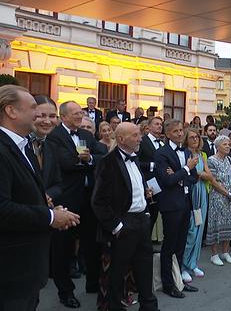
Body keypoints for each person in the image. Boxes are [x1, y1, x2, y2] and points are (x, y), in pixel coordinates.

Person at [0, 86, 80, 311]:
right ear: (11, 111)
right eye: (34, 108)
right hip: (11, 271)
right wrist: (51, 216)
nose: (39, 115)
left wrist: (48, 204)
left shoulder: (23, 146)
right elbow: (3, 209)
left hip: (25, 269)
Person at [92, 122, 158, 311]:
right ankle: (113, 307)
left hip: (142, 220)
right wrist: (117, 226)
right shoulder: (108, 162)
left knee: (145, 267)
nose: (140, 138)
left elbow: (131, 187)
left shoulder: (135, 159)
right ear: (121, 139)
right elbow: (98, 201)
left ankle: (149, 306)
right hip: (123, 223)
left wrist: (144, 196)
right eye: (136, 135)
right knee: (117, 271)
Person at [48, 100, 103, 308]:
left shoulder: (87, 135)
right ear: (63, 117)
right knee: (64, 248)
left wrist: (87, 161)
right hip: (67, 200)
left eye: (81, 112)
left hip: (89, 199)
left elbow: (101, 155)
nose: (80, 116)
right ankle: (65, 291)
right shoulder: (55, 137)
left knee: (92, 243)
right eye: (76, 113)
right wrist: (82, 162)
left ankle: (93, 283)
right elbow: (64, 163)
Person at [154, 119, 199, 298]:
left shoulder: (187, 150)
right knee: (169, 245)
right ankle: (168, 284)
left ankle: (178, 278)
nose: (180, 134)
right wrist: (186, 169)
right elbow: (167, 181)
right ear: (167, 134)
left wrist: (180, 175)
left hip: (185, 202)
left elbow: (194, 177)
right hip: (171, 205)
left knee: (180, 244)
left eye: (181, 130)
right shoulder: (161, 153)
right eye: (175, 131)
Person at [181, 128, 211, 282]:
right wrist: (197, 174)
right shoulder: (184, 154)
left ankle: (193, 263)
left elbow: (210, 176)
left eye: (197, 137)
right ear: (186, 139)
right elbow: (184, 173)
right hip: (190, 193)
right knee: (190, 231)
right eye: (192, 137)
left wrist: (196, 173)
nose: (195, 140)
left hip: (202, 194)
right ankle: (183, 266)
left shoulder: (202, 155)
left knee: (199, 230)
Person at [206, 135, 231, 265]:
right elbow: (213, 181)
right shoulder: (211, 160)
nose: (228, 146)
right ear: (218, 146)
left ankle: (225, 252)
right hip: (218, 197)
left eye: (228, 144)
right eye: (225, 144)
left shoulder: (229, 159)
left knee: (229, 223)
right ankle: (214, 254)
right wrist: (227, 193)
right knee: (216, 224)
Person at [31, 96, 63, 206]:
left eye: (52, 116)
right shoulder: (19, 144)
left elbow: (58, 184)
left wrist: (48, 195)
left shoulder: (52, 147)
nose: (48, 121)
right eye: (42, 116)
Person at [137, 116, 165, 235]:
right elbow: (135, 161)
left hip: (161, 184)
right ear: (149, 126)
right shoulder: (142, 141)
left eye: (160, 124)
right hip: (147, 183)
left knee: (154, 215)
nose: (159, 126)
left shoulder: (163, 143)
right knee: (147, 216)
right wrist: (152, 165)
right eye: (156, 124)